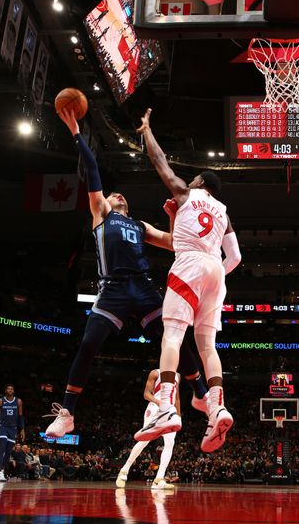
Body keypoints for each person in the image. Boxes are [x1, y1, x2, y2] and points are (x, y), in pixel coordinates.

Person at [44, 108, 205, 438]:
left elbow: (175, 243)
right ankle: (68, 413)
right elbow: (92, 173)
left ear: (127, 206)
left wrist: (173, 214)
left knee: (174, 340)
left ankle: (202, 396)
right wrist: (76, 130)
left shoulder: (138, 224)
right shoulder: (101, 212)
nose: (116, 194)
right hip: (113, 289)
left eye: (121, 195)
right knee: (88, 343)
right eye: (113, 193)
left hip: (144, 288)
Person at [135, 108, 242, 453]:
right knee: (207, 346)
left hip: (191, 265)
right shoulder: (224, 213)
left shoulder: (185, 192)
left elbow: (159, 161)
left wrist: (147, 130)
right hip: (215, 270)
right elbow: (236, 258)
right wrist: (213, 280)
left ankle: (166, 406)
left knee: (173, 337)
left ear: (199, 183)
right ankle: (217, 406)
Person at [116, 367, 191, 490]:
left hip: (170, 412)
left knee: (170, 443)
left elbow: (177, 398)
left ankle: (159, 479)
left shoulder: (178, 375)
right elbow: (146, 394)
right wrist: (159, 402)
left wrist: (178, 416)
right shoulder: (155, 373)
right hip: (155, 408)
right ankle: (124, 470)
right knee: (144, 440)